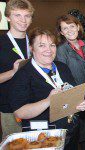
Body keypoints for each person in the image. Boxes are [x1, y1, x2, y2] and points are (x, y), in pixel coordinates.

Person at [8, 28, 85, 149]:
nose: (48, 50)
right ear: (31, 48)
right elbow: (20, 112)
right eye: (41, 45)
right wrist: (48, 100)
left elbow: (71, 93)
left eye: (52, 45)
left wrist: (79, 103)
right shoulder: (23, 74)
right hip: (44, 138)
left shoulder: (62, 67)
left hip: (70, 132)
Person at [55, 14, 85, 149]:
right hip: (75, 99)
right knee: (78, 137)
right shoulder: (60, 50)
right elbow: (64, 79)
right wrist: (84, 95)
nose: (69, 30)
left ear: (78, 26)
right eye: (64, 28)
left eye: (72, 26)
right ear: (61, 32)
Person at [0, 0, 34, 137]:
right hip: (10, 108)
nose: (23, 20)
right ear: (8, 17)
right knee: (16, 143)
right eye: (17, 15)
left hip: (34, 103)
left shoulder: (34, 41)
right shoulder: (1, 44)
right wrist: (13, 72)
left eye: (27, 16)